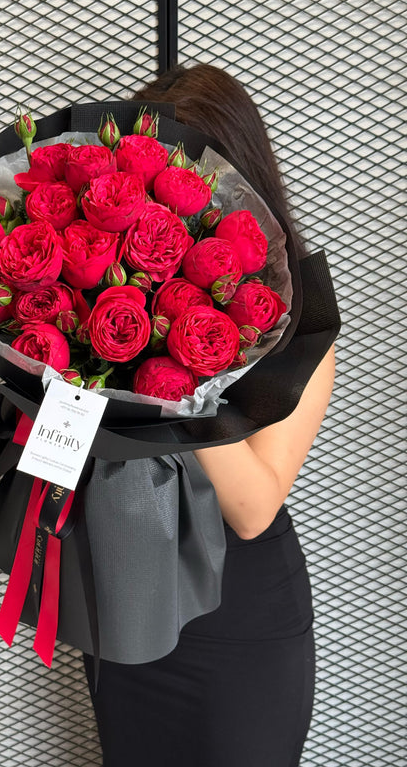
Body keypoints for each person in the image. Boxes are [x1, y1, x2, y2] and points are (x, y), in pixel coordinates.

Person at [82, 64, 336, 766]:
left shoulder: (298, 331)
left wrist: (165, 371)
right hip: (129, 613)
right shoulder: (109, 306)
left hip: (240, 629)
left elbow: (252, 508)